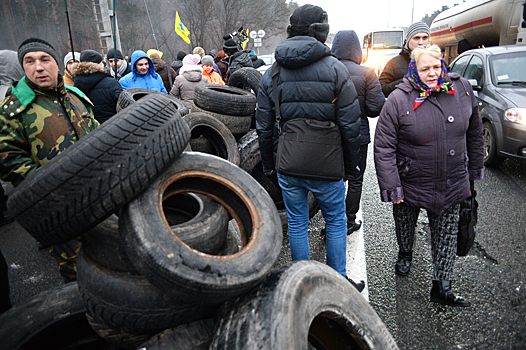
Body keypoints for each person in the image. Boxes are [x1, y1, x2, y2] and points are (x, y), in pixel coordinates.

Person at [256, 4, 364, 292]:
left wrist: (269, 164)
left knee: (297, 222)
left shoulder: (273, 73)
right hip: (328, 165)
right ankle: (337, 283)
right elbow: (351, 125)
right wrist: (352, 166)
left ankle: (303, 284)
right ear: (321, 30)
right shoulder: (335, 69)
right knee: (336, 221)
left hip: (288, 161)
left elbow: (264, 127)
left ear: (291, 30)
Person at [374, 44, 484, 306]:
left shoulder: (461, 90)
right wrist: (392, 187)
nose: (432, 73)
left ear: (443, 64)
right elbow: (384, 146)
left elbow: (475, 133)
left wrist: (473, 171)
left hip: (451, 180)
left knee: (446, 234)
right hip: (410, 181)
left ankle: (442, 287)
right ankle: (405, 253)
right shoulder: (399, 99)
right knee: (405, 224)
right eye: (425, 69)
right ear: (414, 69)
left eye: (437, 66)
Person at [0, 38, 99, 284]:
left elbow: (98, 134)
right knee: (77, 272)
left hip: (98, 195)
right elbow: (7, 158)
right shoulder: (14, 107)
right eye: (29, 62)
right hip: (58, 206)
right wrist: (45, 188)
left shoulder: (76, 96)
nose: (39, 67)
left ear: (57, 64)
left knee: (109, 258)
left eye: (45, 60)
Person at [330, 30, 385, 235]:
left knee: (333, 179)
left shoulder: (329, 70)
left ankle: (332, 222)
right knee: (355, 178)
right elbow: (375, 108)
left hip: (330, 136)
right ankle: (349, 220)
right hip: (358, 134)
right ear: (357, 50)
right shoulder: (367, 73)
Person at [379, 21, 430, 97]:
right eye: (416, 38)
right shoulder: (394, 64)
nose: (421, 42)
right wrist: (408, 80)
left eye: (425, 38)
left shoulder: (438, 62)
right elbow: (382, 89)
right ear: (408, 41)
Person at [72, 49, 122, 124]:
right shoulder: (111, 83)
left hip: (90, 131)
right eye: (102, 62)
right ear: (98, 64)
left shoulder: (75, 87)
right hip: (114, 127)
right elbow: (123, 106)